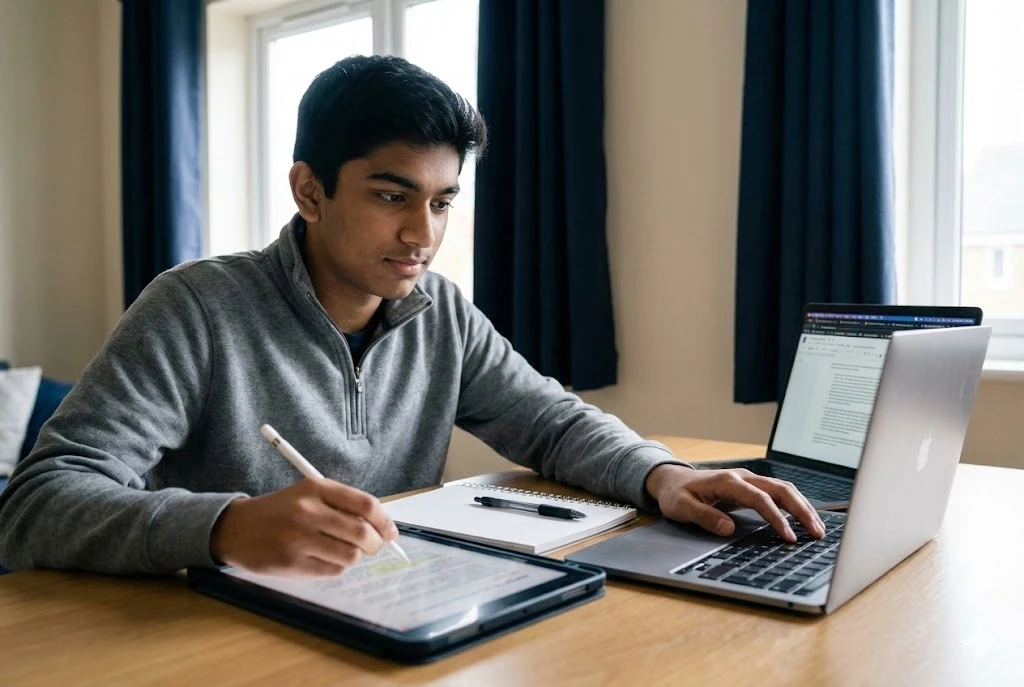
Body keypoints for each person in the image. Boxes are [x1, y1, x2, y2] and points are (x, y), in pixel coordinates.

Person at [0, 55, 823, 576]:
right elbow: (37, 505)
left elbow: (552, 422)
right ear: (309, 190)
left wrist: (661, 473)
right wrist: (226, 525)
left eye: (441, 202)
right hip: (213, 638)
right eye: (392, 196)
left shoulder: (440, 313)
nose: (421, 234)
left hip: (390, 620)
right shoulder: (194, 308)